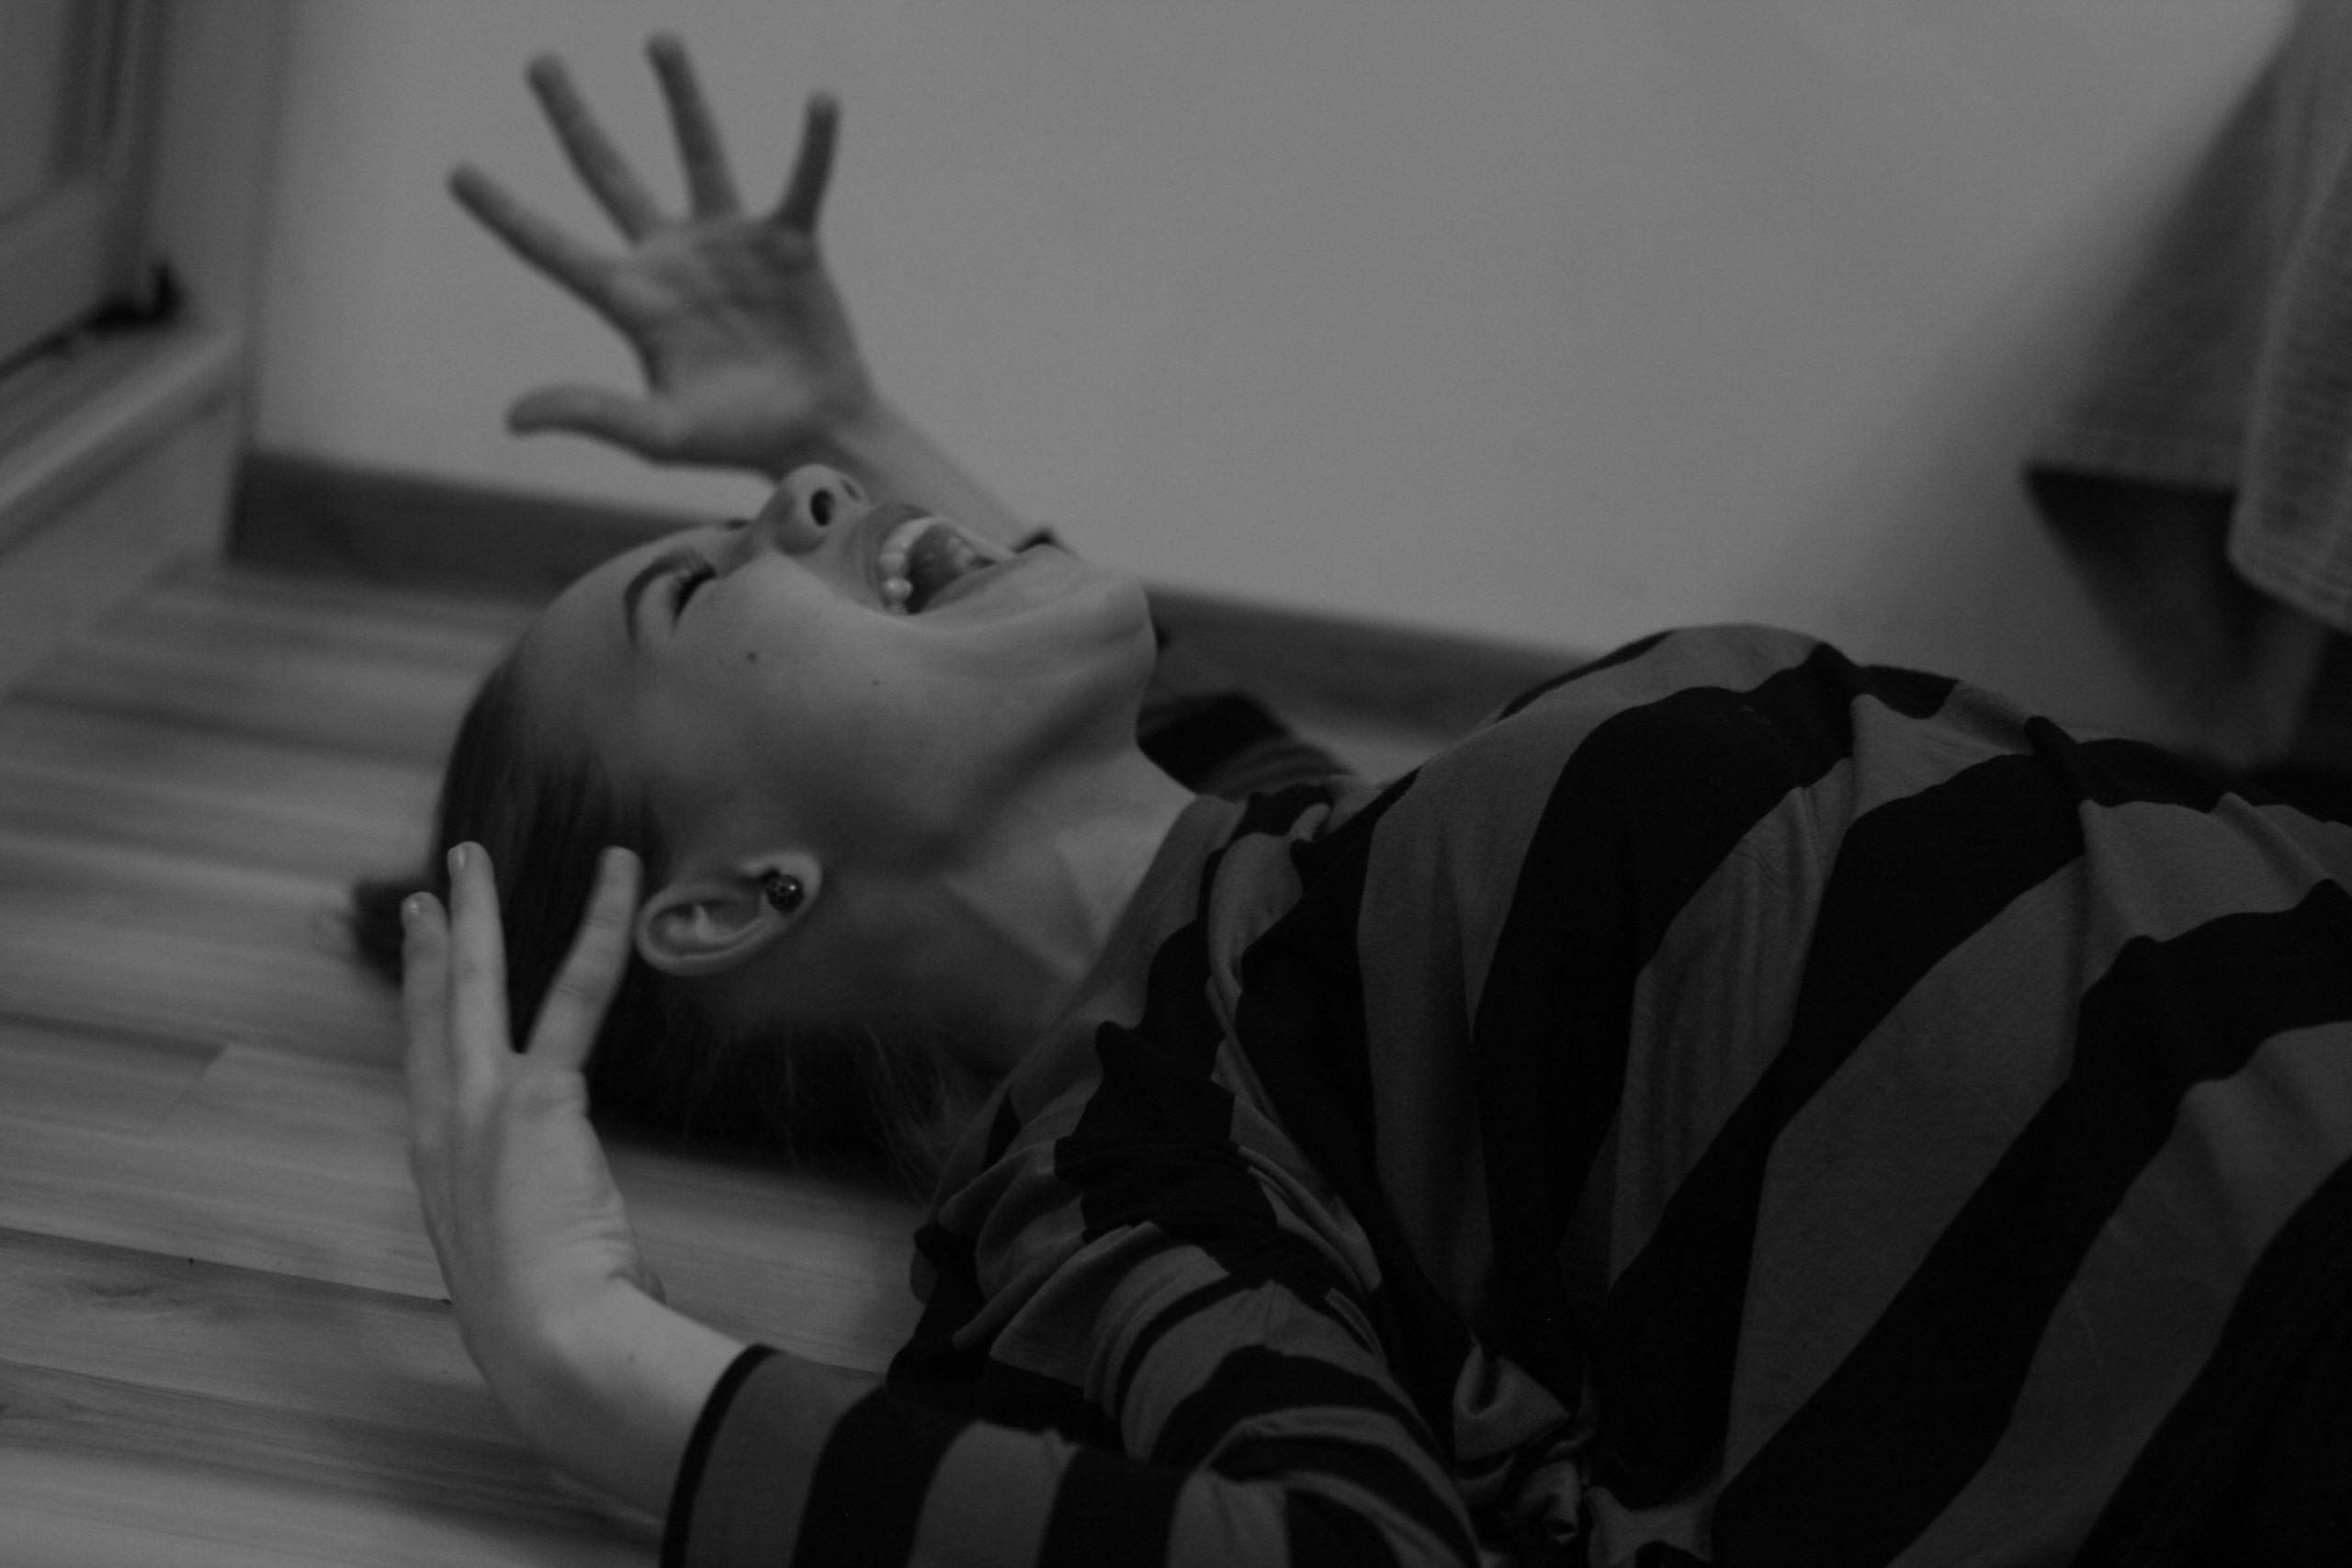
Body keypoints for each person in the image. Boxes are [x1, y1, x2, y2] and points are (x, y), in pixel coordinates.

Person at [378, 37, 2352, 1568]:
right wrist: (591, 1361)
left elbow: (1179, 719)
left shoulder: (1300, 875)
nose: (807, 499)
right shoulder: (1141, 1166)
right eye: (700, 583)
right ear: (733, 900)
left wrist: (840, 408)